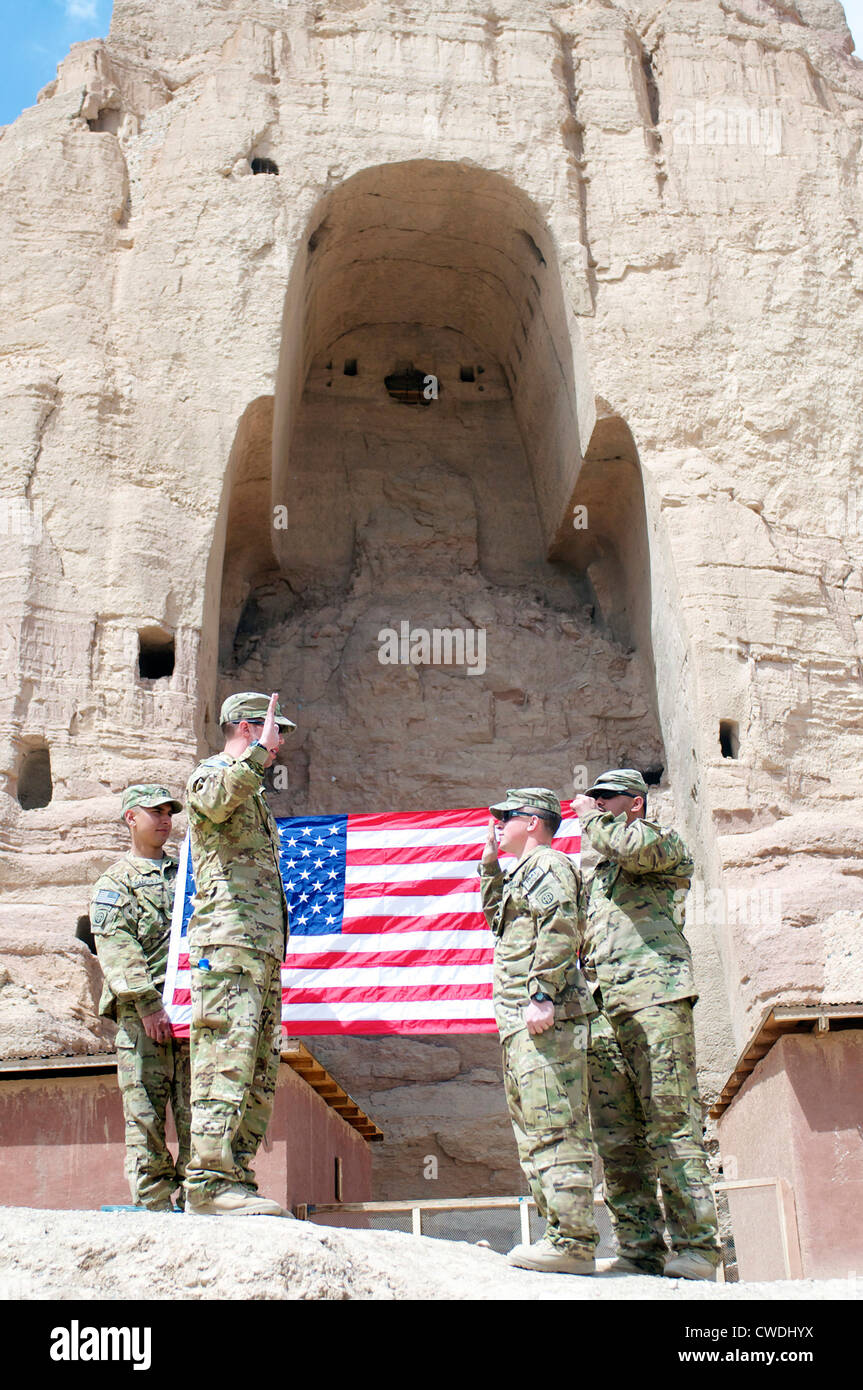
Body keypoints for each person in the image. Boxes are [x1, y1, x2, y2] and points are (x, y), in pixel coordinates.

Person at [573, 768, 720, 1280]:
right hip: (606, 1008)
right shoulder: (602, 879)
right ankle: (639, 1249)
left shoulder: (660, 844)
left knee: (671, 1123)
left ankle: (698, 1248)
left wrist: (592, 823)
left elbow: (629, 847)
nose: (596, 806)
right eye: (593, 801)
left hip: (657, 997)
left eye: (606, 799)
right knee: (617, 1138)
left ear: (634, 803)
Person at [183, 690, 296, 1218]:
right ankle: (206, 1182)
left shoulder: (254, 791)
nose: (278, 746)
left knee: (256, 1067)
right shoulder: (212, 774)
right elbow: (212, 800)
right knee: (223, 1058)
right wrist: (253, 757)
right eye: (273, 734)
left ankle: (235, 1176)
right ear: (247, 728)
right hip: (226, 946)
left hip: (260, 949)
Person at [479, 787, 598, 1274]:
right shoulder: (520, 874)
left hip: (543, 1018)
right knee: (532, 1130)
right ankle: (558, 1235)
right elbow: (496, 923)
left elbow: (561, 924)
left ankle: (573, 1241)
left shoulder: (549, 865)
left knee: (556, 1126)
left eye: (505, 818)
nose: (498, 826)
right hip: (519, 1024)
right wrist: (490, 864)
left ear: (532, 821)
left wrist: (542, 993)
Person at [90, 784, 190, 1211]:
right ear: (131, 817)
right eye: (155, 811)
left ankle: (198, 1199)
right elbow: (116, 946)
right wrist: (148, 1004)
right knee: (145, 1118)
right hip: (141, 1019)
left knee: (196, 1115)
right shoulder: (116, 882)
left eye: (170, 811)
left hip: (189, 1013)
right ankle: (153, 1206)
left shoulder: (187, 874)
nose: (165, 819)